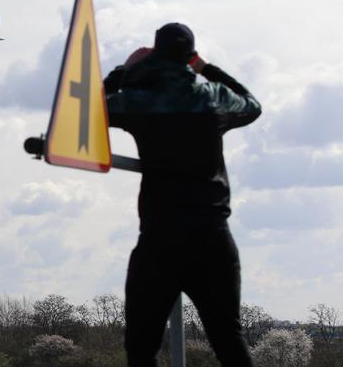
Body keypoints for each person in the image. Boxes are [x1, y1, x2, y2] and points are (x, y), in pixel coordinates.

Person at [103, 23, 261, 366]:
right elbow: (251, 104)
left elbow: (84, 113)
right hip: (213, 239)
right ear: (189, 57)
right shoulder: (212, 99)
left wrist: (123, 74)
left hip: (161, 239)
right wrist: (204, 67)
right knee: (228, 340)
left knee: (142, 347)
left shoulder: (140, 102)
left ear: (158, 55)